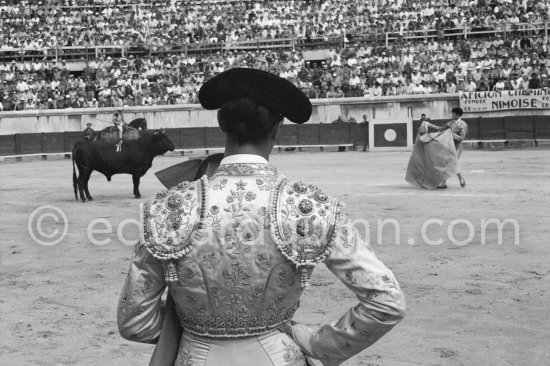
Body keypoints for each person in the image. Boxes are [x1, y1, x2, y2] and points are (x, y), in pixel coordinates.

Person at [117, 68, 406, 366]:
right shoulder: (310, 206)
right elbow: (387, 302)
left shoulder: (168, 208)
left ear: (221, 123)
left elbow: (134, 322)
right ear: (277, 128)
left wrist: (186, 326)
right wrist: (316, 343)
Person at [438, 107, 468, 189]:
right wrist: (428, 125)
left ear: (457, 115)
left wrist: (451, 134)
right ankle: (444, 183)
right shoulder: (450, 123)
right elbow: (440, 129)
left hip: (457, 148)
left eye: (453, 113)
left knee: (453, 163)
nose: (451, 115)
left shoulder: (463, 124)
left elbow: (461, 138)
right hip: (448, 146)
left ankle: (460, 179)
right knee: (444, 163)